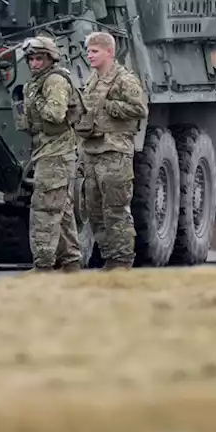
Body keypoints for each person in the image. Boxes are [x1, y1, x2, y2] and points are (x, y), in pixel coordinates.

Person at [75, 31, 148, 269]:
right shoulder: (92, 80)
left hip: (114, 152)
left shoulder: (124, 80)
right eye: (88, 51)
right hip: (92, 150)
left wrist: (108, 106)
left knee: (116, 209)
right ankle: (109, 257)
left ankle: (122, 260)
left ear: (109, 52)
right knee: (94, 209)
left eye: (95, 51)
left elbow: (139, 109)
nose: (90, 55)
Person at [18, 35, 84, 273]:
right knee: (62, 210)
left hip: (56, 152)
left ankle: (43, 266)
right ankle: (70, 262)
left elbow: (55, 114)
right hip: (48, 150)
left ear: (50, 58)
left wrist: (36, 105)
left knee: (44, 207)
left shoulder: (54, 81)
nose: (34, 63)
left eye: (39, 58)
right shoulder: (38, 82)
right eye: (31, 59)